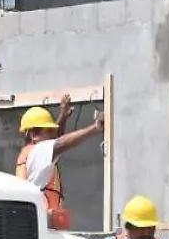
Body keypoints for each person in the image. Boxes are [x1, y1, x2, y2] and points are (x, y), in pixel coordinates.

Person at [15, 96, 104, 231]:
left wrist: (63, 116)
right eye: (48, 130)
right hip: (41, 224)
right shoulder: (38, 151)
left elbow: (55, 141)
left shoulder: (31, 153)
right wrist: (96, 127)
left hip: (40, 221)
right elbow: (59, 144)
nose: (53, 133)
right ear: (33, 134)